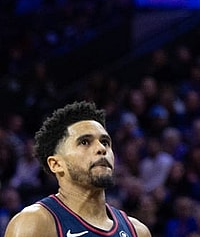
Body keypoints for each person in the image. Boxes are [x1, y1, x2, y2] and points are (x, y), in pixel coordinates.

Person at [4, 100, 151, 237]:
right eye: (85, 142)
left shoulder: (138, 231)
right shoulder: (35, 223)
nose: (101, 148)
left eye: (105, 142)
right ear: (56, 164)